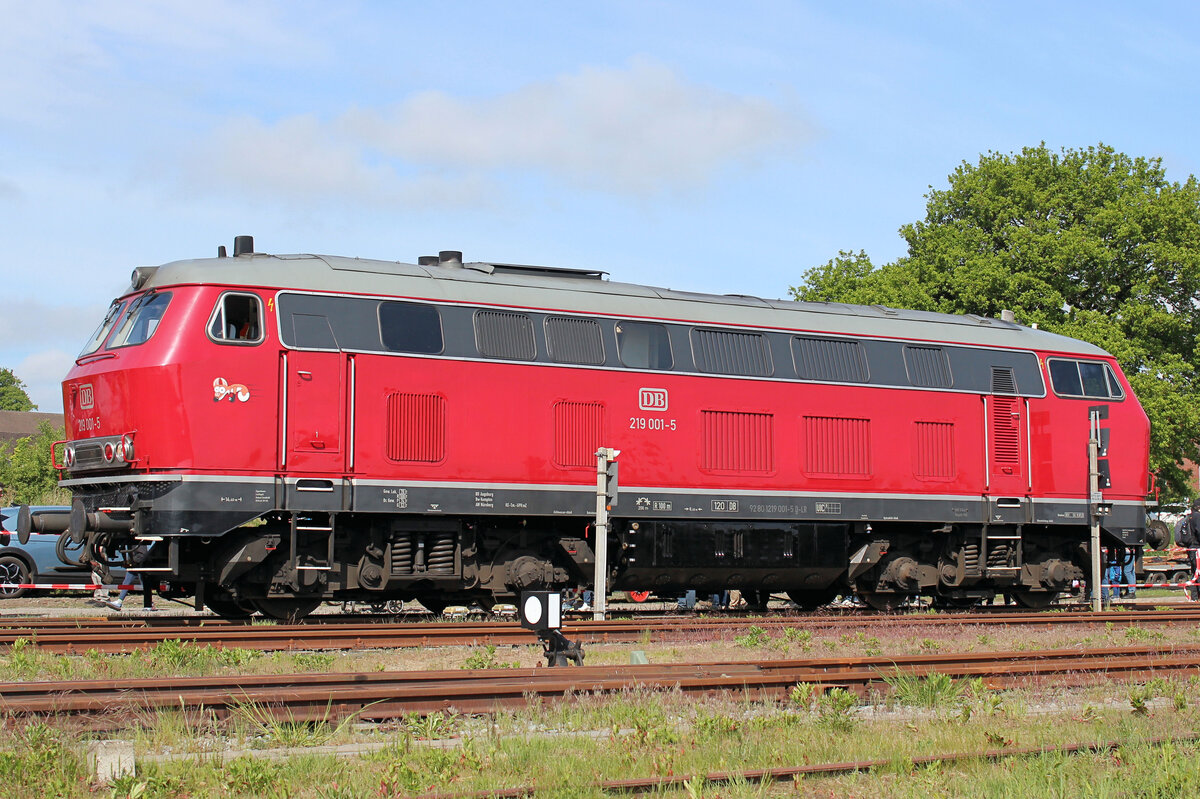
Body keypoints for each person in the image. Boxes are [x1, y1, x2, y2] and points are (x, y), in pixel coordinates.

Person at [106, 543, 155, 612]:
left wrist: (131, 561)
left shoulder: (139, 541)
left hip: (140, 563)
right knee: (127, 582)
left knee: (144, 584)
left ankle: (149, 604)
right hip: (135, 563)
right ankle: (119, 602)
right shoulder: (131, 541)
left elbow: (141, 554)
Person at [1175, 499, 1200, 601]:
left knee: (1195, 573)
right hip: (1197, 548)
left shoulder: (1190, 517)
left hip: (1192, 548)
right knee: (1198, 573)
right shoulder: (1197, 517)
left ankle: (1194, 598)